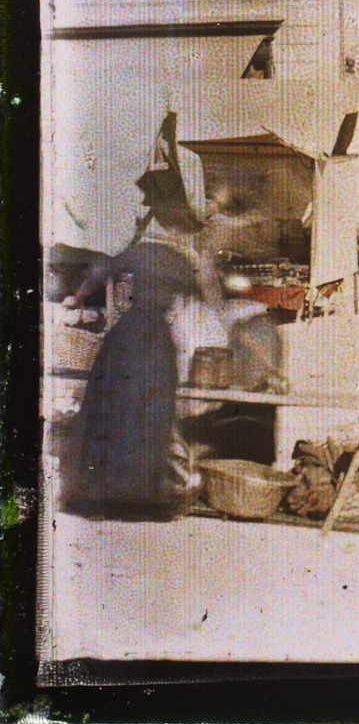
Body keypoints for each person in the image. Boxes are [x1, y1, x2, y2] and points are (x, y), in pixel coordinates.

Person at [72, 205, 211, 516]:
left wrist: (78, 296)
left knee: (112, 412)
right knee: (150, 418)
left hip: (127, 338)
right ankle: (139, 496)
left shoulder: (141, 251)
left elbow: (98, 274)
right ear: (178, 230)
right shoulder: (180, 261)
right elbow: (201, 297)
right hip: (157, 344)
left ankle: (103, 495)